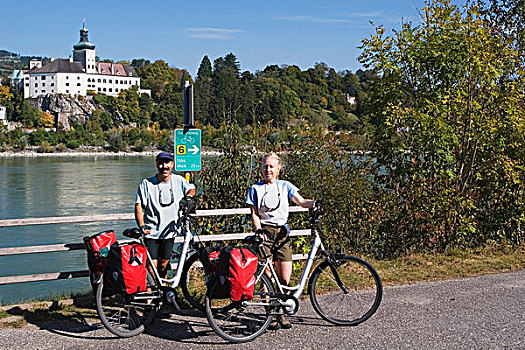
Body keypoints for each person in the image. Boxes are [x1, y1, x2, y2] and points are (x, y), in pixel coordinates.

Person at [245, 152, 319, 330]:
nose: (268, 169)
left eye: (271, 166)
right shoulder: (256, 188)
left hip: (282, 233)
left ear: (278, 169)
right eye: (265, 166)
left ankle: (282, 311)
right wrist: (258, 230)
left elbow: (301, 202)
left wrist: (315, 203)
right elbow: (254, 213)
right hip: (265, 233)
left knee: (284, 278)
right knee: (267, 277)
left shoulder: (285, 186)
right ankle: (270, 314)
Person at [135, 151, 195, 280]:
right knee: (151, 266)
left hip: (169, 231)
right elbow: (139, 206)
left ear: (172, 164)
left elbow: (191, 188)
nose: (164, 166)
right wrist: (141, 225)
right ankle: (151, 295)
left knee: (163, 265)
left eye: (167, 163)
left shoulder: (179, 180)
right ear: (157, 164)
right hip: (151, 231)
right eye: (161, 163)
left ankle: (163, 291)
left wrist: (188, 197)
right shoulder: (146, 183)